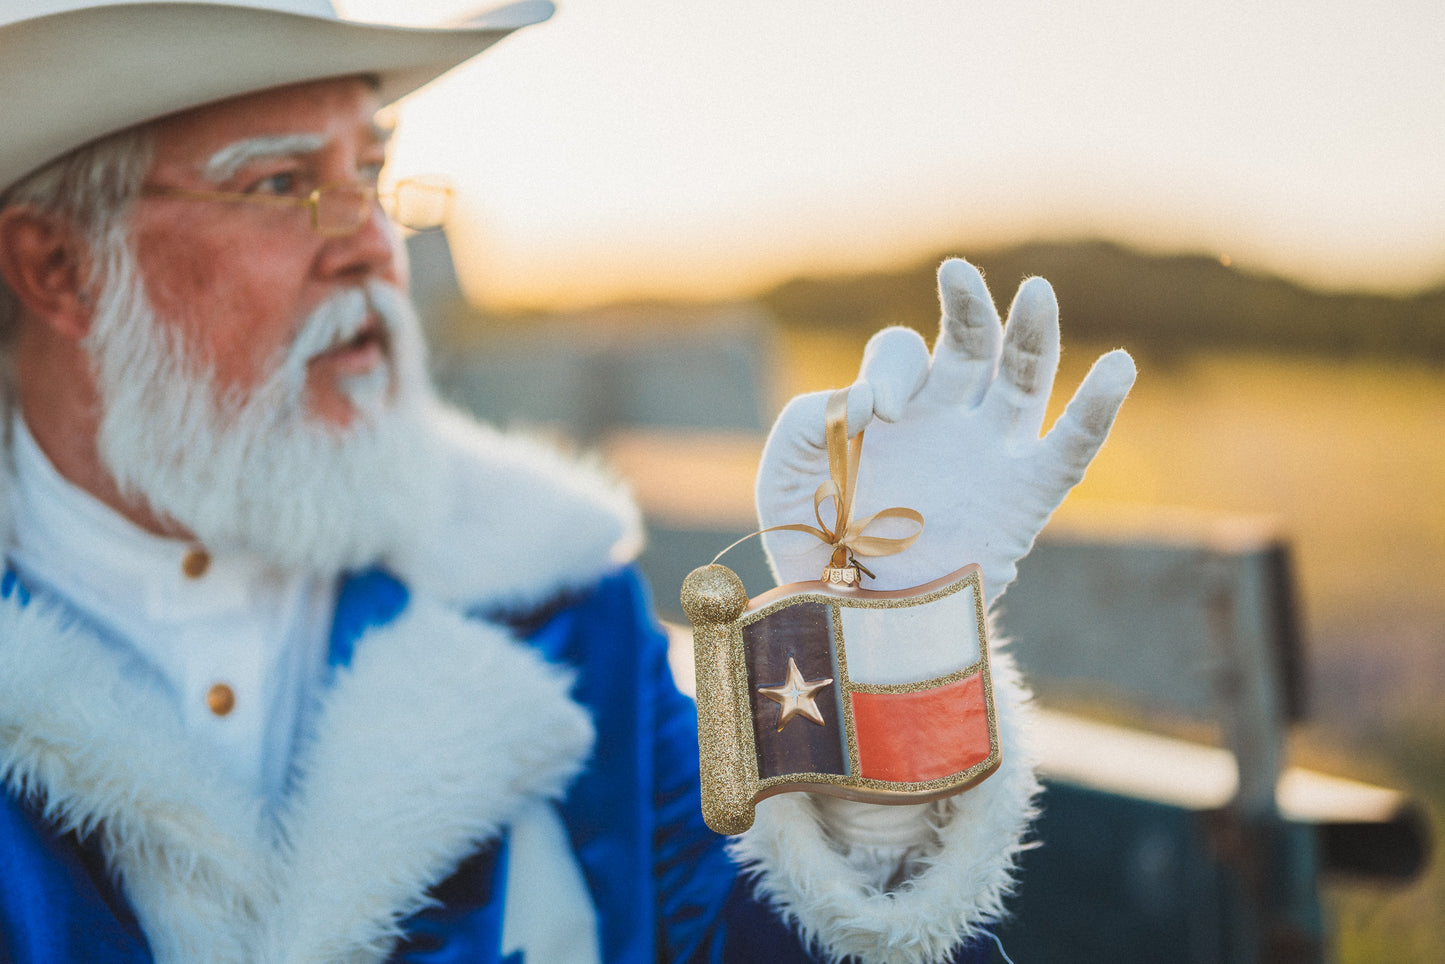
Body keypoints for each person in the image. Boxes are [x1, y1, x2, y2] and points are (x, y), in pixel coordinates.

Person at [0, 1, 1136, 961]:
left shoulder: (556, 609)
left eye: (373, 174)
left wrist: (883, 637)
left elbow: (762, 933)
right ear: (56, 267)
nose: (368, 246)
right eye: (283, 183)